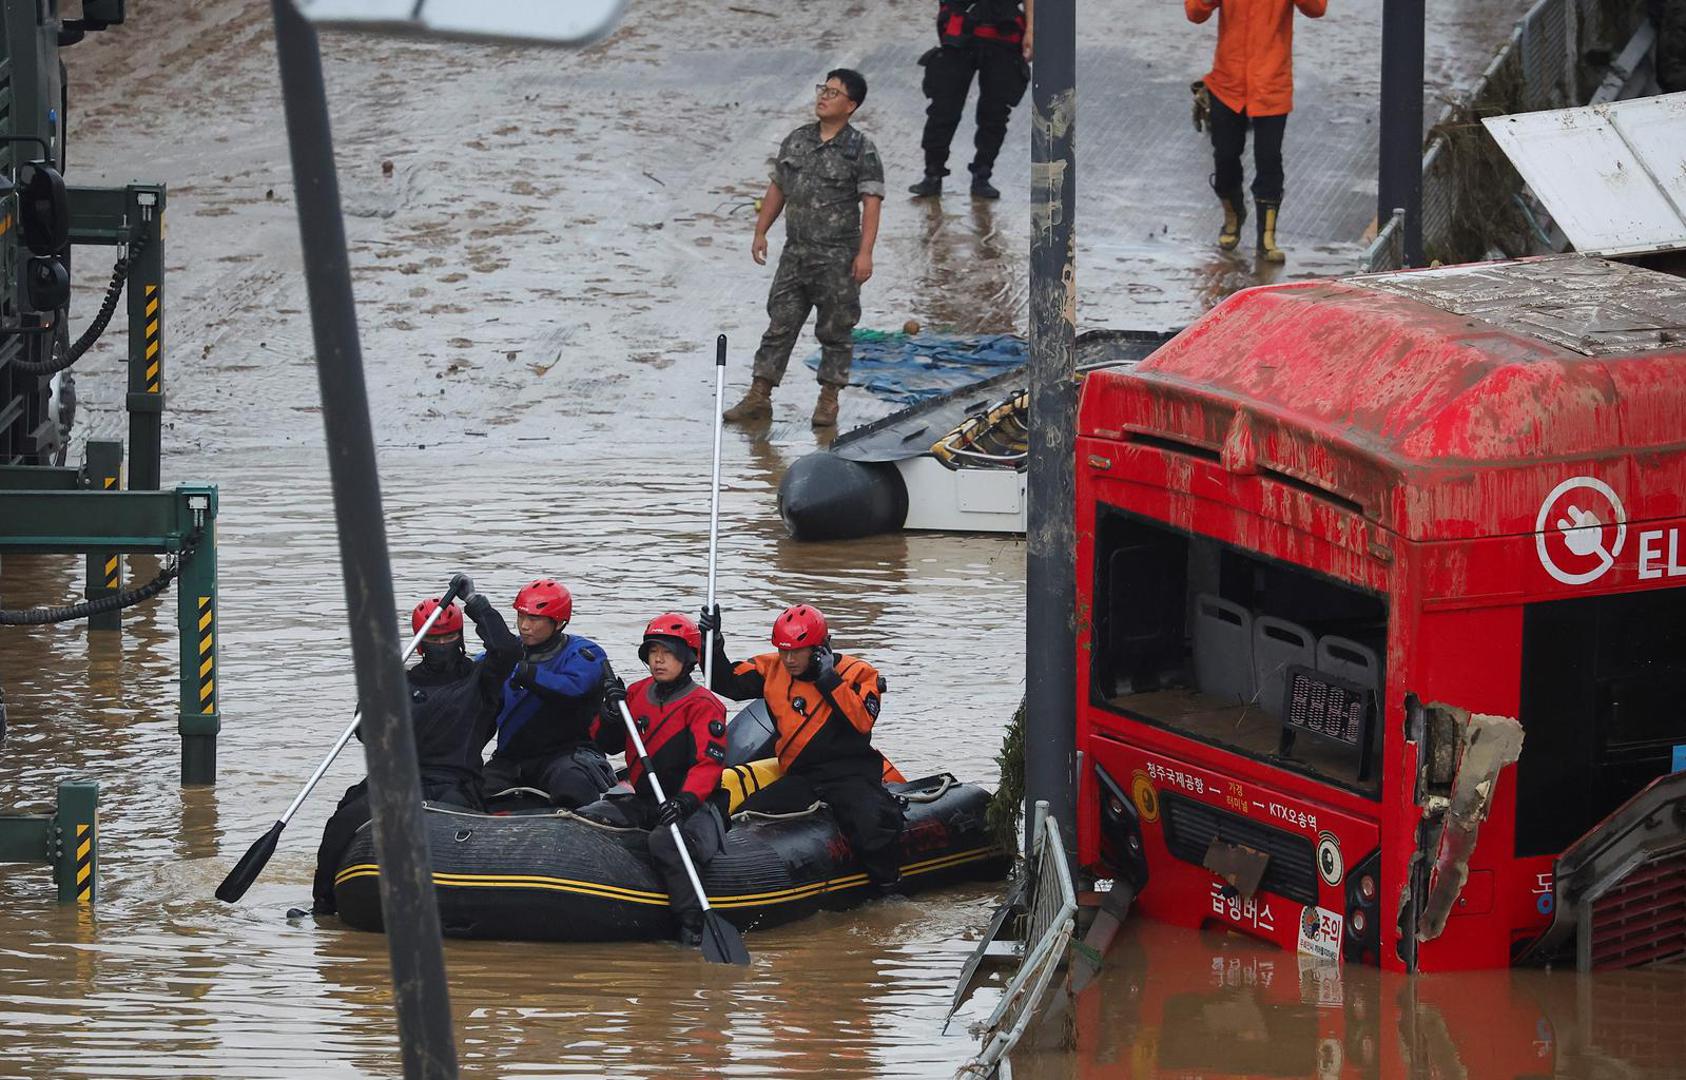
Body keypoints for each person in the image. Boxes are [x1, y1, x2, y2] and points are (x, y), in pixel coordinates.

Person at [311, 576, 519, 915]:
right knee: (341, 823)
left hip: (456, 782)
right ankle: (323, 904)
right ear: (421, 643)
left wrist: (476, 603)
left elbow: (507, 650)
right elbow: (366, 735)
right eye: (435, 638)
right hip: (398, 780)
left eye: (450, 637)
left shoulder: (481, 679)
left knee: (466, 836)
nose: (443, 645)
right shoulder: (396, 683)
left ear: (462, 638)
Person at [722, 68, 886, 430]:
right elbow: (778, 188)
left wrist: (865, 253)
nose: (823, 97)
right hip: (796, 254)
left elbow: (871, 203)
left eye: (833, 92)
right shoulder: (797, 140)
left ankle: (828, 400)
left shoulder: (860, 149)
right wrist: (761, 231)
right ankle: (758, 396)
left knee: (836, 329)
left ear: (851, 105)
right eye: (822, 90)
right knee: (780, 323)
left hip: (838, 258)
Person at [700, 602, 904, 886]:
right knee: (750, 814)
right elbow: (725, 682)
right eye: (783, 650)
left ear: (821, 648)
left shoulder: (859, 673)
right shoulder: (773, 669)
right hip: (802, 776)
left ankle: (889, 891)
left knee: (872, 825)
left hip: (851, 774)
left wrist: (829, 680)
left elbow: (862, 721)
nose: (788, 659)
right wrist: (712, 643)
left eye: (796, 651)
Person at [578, 612, 730, 947]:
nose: (658, 659)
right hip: (646, 798)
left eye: (668, 652)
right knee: (590, 817)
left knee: (665, 840)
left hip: (693, 805)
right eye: (653, 652)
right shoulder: (633, 694)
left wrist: (685, 801)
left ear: (688, 658)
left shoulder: (704, 705)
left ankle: (692, 927)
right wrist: (609, 714)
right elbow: (607, 744)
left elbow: (709, 763)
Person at [1186, 0, 1327, 262]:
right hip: (1227, 85)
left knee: (1269, 159)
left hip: (1271, 85)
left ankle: (1267, 237)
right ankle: (1234, 213)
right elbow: (1194, 12)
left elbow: (1317, 8)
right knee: (1225, 156)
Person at [481, 577, 616, 808]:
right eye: (521, 616)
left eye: (534, 619)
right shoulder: (504, 655)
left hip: (568, 755)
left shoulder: (585, 653)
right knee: (473, 791)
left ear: (559, 622)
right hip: (512, 759)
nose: (524, 626)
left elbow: (572, 689)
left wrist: (521, 670)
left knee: (573, 787)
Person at [908, 0, 1034, 201]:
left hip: (1004, 32)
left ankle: (982, 173)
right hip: (960, 28)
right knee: (943, 107)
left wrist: (1031, 29)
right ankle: (932, 173)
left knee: (995, 111)